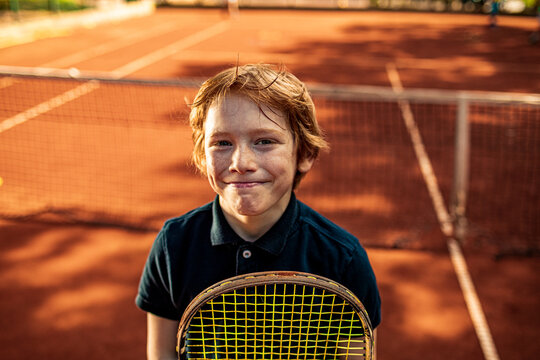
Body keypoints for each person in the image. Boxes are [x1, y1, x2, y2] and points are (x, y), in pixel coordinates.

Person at [135, 64, 381, 360]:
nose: (241, 162)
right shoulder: (173, 245)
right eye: (222, 143)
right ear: (203, 156)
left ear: (304, 154)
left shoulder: (343, 259)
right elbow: (162, 353)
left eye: (264, 141)